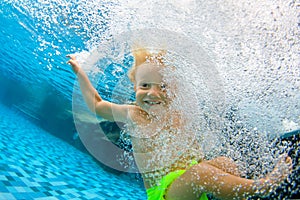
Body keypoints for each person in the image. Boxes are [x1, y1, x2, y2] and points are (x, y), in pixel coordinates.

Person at [67, 48, 292, 200]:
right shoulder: (133, 114)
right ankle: (261, 187)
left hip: (189, 184)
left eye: (162, 86)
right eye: (145, 85)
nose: (153, 93)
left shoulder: (178, 115)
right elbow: (97, 105)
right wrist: (81, 72)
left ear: (173, 90)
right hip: (165, 193)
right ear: (134, 87)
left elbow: (194, 152)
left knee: (225, 163)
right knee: (202, 173)